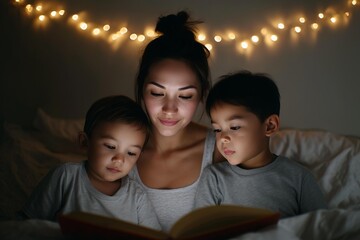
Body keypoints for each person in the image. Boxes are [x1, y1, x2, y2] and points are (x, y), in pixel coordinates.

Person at [129, 11, 222, 231]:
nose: (169, 109)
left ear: (201, 96)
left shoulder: (220, 150)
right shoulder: (117, 148)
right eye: (157, 93)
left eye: (185, 95)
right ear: (142, 90)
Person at [194, 71, 328, 218]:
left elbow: (320, 226)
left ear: (269, 126)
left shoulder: (299, 177)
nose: (223, 138)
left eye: (235, 127)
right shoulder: (214, 178)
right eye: (217, 129)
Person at [19, 95, 161, 230]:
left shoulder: (137, 197)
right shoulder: (65, 177)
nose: (119, 159)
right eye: (111, 146)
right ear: (85, 142)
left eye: (131, 153)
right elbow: (27, 224)